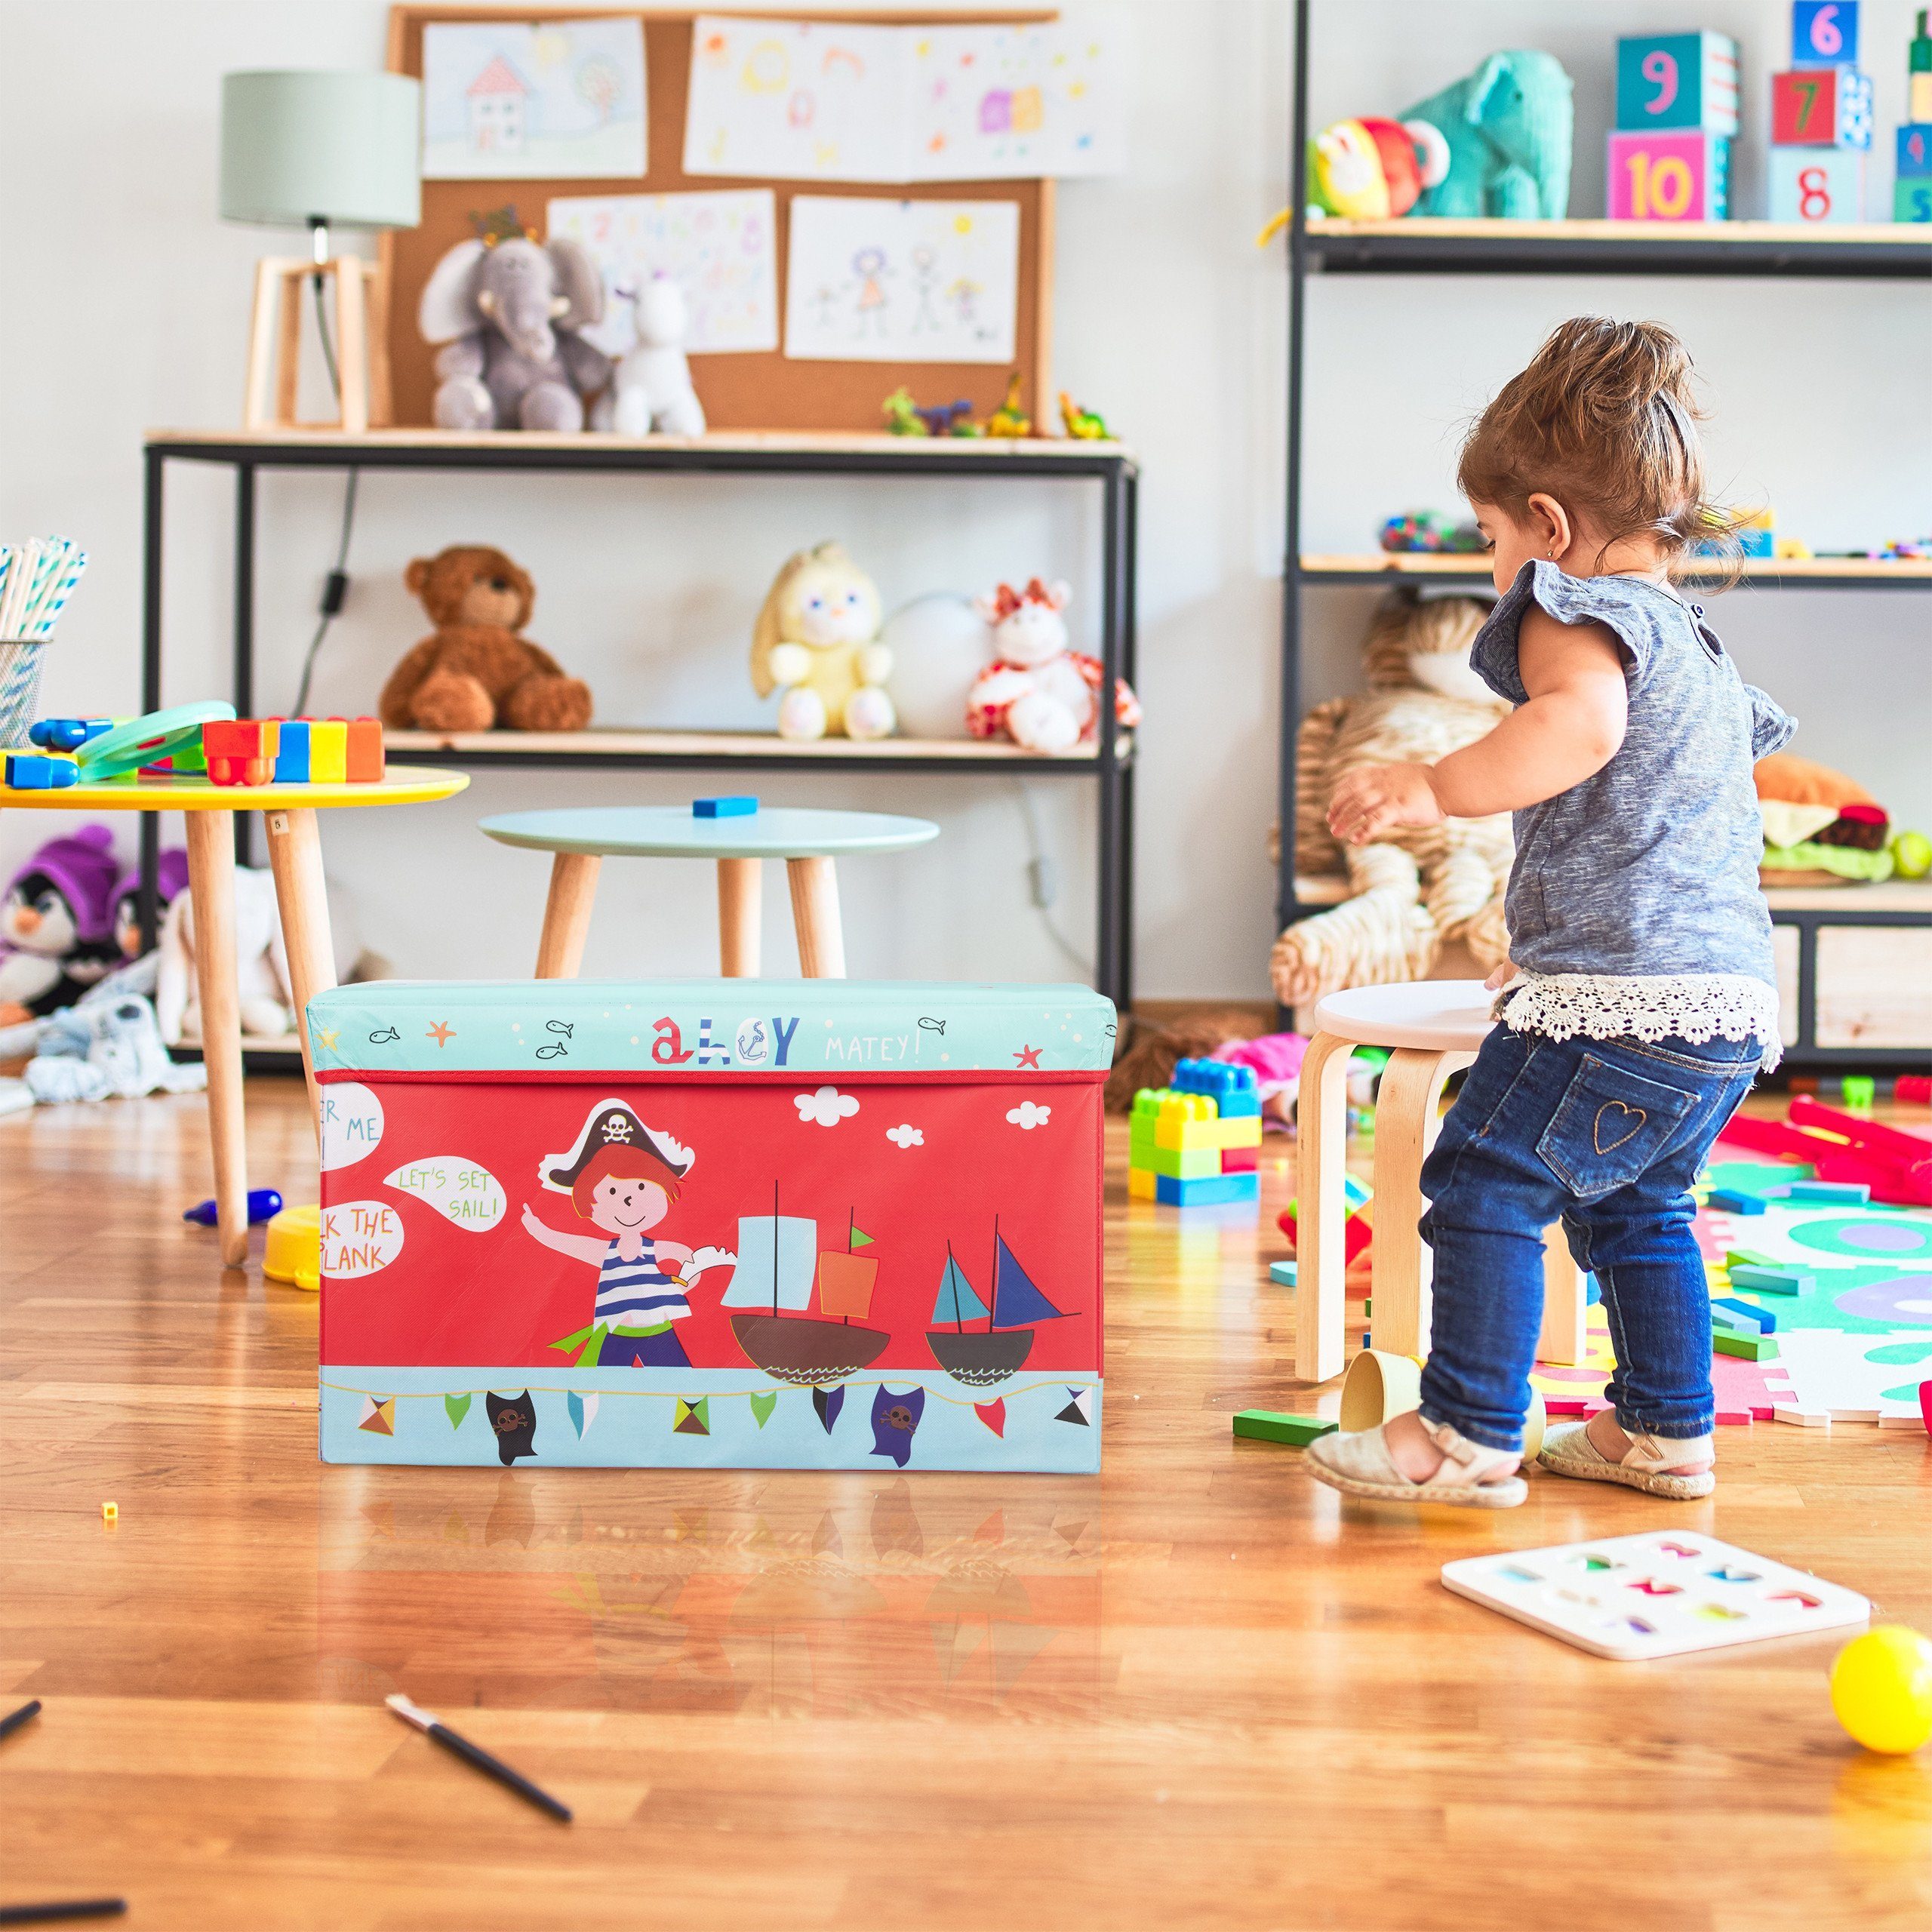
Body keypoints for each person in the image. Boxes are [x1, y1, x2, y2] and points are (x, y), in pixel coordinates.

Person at [1304, 317, 1793, 1509]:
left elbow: (1578, 732)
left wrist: (1428, 784)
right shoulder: (1699, 647)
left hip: (1621, 1002)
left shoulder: (1569, 605)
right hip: (1723, 1007)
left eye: (1489, 538)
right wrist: (1548, 945)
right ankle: (1664, 1431)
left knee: (1484, 1179)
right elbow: (1652, 826)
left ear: (1551, 529)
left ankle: (1468, 1430)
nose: (1491, 566)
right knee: (1637, 1204)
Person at [522, 1100, 708, 1367]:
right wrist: (540, 1230)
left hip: (656, 1331)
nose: (629, 1200)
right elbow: (571, 1244)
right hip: (615, 1333)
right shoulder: (606, 1252)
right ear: (591, 1205)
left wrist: (681, 1283)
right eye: (611, 1192)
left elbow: (690, 1261)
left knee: (682, 1387)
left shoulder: (653, 1249)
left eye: (642, 1187)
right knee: (603, 1388)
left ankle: (692, 1411)